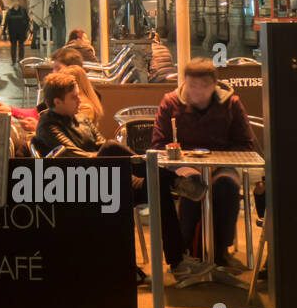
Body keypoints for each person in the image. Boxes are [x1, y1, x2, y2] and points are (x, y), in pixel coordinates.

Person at [35, 71, 204, 284]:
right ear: (57, 102)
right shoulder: (48, 124)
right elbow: (71, 154)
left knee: (157, 186)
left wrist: (117, 163)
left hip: (109, 179)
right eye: (74, 97)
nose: (80, 100)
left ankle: (178, 262)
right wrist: (114, 160)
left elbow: (100, 142)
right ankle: (174, 180)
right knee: (113, 147)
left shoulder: (81, 119)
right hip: (82, 186)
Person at [149, 57, 256, 269]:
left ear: (214, 86)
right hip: (182, 164)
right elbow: (159, 144)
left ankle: (220, 250)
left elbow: (245, 144)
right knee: (192, 185)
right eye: (192, 85)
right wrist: (184, 159)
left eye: (203, 86)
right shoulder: (170, 103)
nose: (197, 91)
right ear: (184, 83)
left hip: (223, 164)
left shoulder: (231, 103)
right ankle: (186, 251)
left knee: (226, 186)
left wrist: (216, 161)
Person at [4, 0, 31, 66]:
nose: (15, 2)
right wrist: (4, 31)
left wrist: (27, 29)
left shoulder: (23, 10)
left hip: (21, 32)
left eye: (16, 1)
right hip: (12, 32)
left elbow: (27, 20)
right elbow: (6, 22)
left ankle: (21, 60)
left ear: (18, 2)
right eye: (14, 1)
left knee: (21, 46)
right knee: (13, 46)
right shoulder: (9, 12)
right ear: (12, 2)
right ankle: (13, 60)